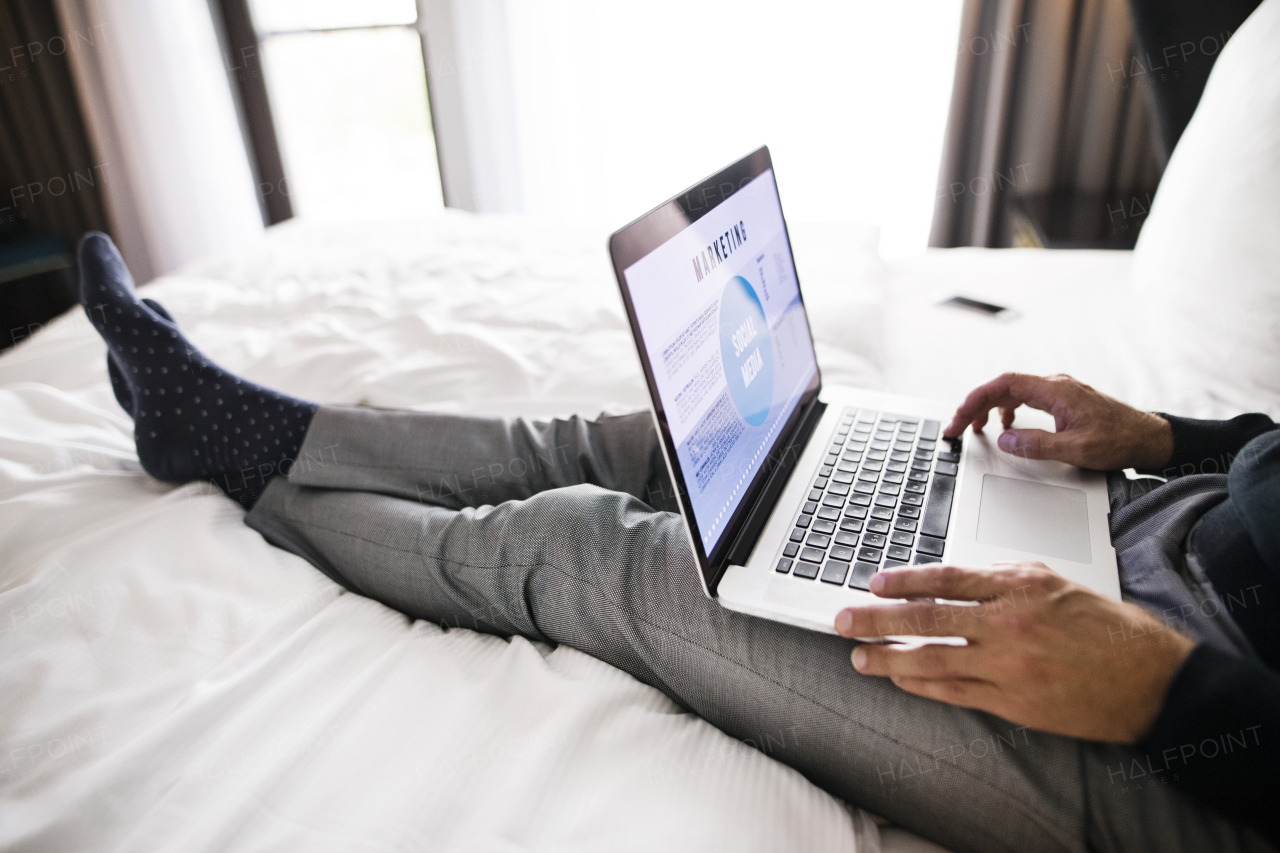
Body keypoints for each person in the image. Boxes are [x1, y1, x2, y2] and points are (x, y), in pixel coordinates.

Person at [77, 232, 1277, 852]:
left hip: (1186, 735)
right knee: (661, 443)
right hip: (1141, 513)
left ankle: (238, 461)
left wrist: (1168, 695)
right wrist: (1180, 436)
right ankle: (259, 423)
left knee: (601, 548)